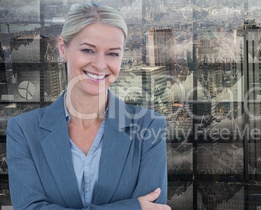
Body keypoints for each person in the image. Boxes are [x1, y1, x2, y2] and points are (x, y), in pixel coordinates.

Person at [6, 2, 170, 210]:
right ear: (63, 48)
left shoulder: (150, 126)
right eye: (88, 50)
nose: (100, 65)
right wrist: (131, 206)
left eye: (112, 53)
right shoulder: (23, 131)